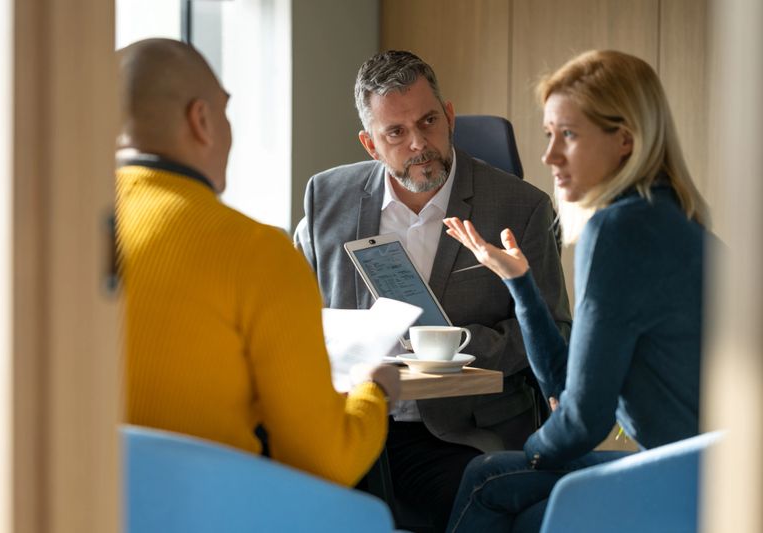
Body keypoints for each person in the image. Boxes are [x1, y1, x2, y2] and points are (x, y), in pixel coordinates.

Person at [294, 50, 571, 530]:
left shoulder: (520, 207)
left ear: (449, 116)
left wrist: (453, 346)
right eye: (396, 133)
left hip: (457, 433)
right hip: (347, 423)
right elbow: (294, 313)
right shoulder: (326, 197)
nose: (419, 143)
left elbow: (552, 330)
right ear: (370, 144)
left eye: (428, 122)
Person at [443, 49, 709, 532]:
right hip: (706, 471)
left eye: (568, 134)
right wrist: (520, 283)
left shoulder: (616, 232)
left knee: (489, 483)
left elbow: (583, 420)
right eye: (549, 135)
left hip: (681, 481)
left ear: (625, 140)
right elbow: (568, 390)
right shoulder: (679, 220)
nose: (549, 156)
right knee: (501, 489)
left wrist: (533, 452)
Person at [115, 38, 401, 487]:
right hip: (206, 511)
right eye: (225, 111)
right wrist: (376, 390)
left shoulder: (47, 239)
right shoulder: (255, 250)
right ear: (202, 120)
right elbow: (326, 462)